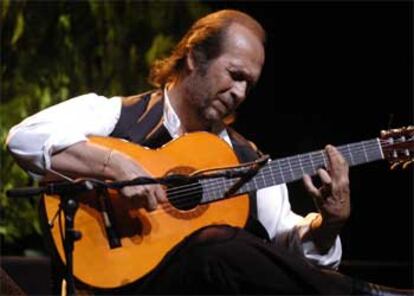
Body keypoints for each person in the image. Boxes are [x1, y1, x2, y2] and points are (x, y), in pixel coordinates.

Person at [6, 9, 412, 295]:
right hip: (117, 282)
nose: (239, 93)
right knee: (217, 242)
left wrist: (330, 225)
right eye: (234, 75)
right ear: (194, 55)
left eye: (248, 85)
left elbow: (290, 260)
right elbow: (24, 138)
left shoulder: (246, 160)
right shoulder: (119, 114)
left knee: (224, 245)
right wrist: (118, 165)